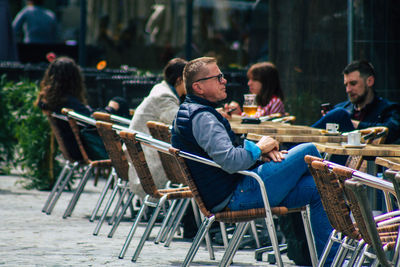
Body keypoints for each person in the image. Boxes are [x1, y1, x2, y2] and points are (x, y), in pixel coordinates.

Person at [171, 57, 336, 263]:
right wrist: (259, 148)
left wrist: (262, 154)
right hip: (236, 194)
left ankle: (330, 261)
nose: (224, 81)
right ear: (199, 87)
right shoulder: (203, 118)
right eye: (218, 77)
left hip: (232, 190)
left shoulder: (191, 111)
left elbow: (228, 154)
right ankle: (346, 210)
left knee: (318, 188)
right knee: (308, 151)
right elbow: (231, 161)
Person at [36, 56, 127, 160]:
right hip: (91, 149)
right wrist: (110, 109)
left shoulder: (51, 102)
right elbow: (91, 121)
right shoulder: (67, 102)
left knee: (118, 102)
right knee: (119, 102)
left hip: (74, 149)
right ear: (74, 79)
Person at [128, 58, 187, 198]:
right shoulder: (164, 96)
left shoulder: (161, 89)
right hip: (152, 166)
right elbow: (183, 123)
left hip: (143, 160)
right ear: (179, 80)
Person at [312, 60, 400, 144]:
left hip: (367, 156)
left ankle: (301, 141)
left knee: (340, 114)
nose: (348, 90)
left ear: (370, 81)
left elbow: (392, 131)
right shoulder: (343, 107)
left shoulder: (389, 109)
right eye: (346, 85)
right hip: (338, 154)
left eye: (353, 84)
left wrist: (353, 124)